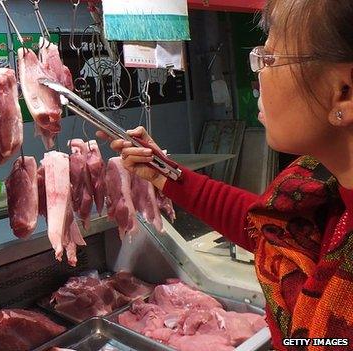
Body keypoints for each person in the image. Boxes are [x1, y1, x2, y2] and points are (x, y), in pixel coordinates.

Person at [100, 1, 353, 349]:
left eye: (269, 58)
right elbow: (270, 228)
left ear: (344, 92)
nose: (257, 74)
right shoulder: (322, 189)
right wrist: (164, 174)